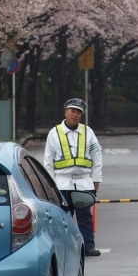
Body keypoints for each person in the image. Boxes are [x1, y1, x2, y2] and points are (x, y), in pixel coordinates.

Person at [44, 98, 103, 256]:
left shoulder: (87, 132)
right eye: (72, 111)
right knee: (63, 217)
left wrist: (96, 178)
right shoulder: (54, 133)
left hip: (84, 181)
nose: (75, 115)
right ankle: (64, 247)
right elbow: (48, 161)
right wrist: (49, 185)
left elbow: (97, 155)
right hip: (61, 182)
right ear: (65, 112)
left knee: (85, 215)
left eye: (78, 112)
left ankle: (88, 246)